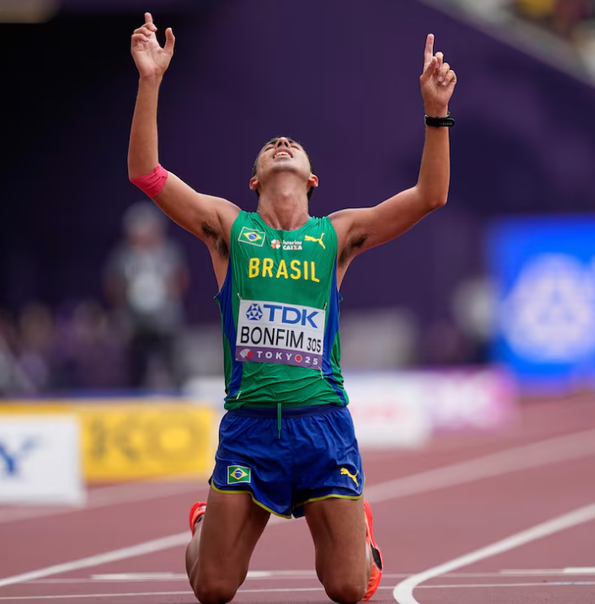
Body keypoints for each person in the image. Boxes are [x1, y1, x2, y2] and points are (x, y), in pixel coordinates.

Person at [128, 12, 457, 604]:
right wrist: (150, 79)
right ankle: (207, 521)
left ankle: (360, 536)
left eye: (294, 147)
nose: (282, 144)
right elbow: (145, 173)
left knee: (348, 589)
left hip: (322, 423)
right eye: (271, 147)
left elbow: (431, 196)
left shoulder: (338, 235)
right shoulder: (230, 228)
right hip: (250, 426)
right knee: (214, 588)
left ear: (311, 180)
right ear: (255, 180)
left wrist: (436, 112)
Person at [105, 201, 188, 389]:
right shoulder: (122, 256)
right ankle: (133, 398)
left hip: (165, 319)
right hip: (135, 321)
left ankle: (179, 395)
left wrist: (170, 295)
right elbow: (114, 284)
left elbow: (180, 278)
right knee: (135, 367)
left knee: (173, 363)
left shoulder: (169, 252)